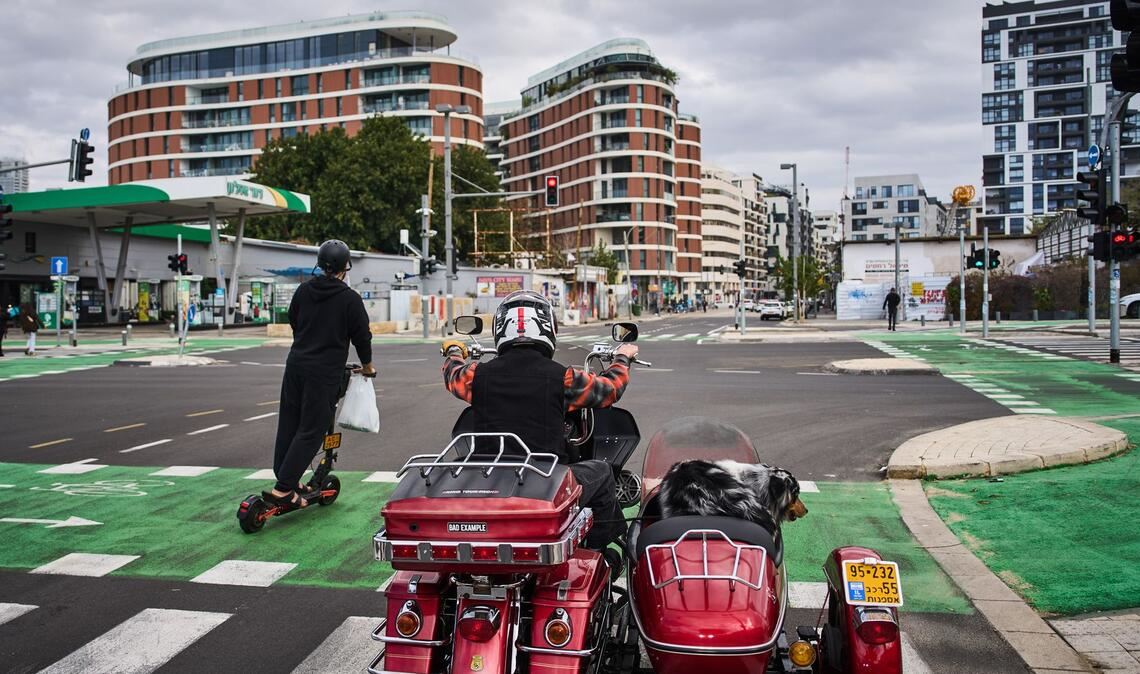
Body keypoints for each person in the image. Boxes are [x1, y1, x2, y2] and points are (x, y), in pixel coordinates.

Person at [441, 290, 637, 555]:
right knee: (602, 473)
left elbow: (452, 374)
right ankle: (599, 551)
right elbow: (610, 388)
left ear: (501, 329)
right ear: (548, 328)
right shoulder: (563, 378)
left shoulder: (478, 376)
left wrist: (454, 351)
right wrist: (622, 358)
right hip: (545, 481)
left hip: (489, 478)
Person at [269, 240, 375, 509]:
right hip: (324, 371)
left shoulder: (303, 290)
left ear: (319, 264)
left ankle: (287, 478)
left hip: (295, 365)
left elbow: (294, 320)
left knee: (289, 423)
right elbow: (362, 336)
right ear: (345, 267)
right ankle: (283, 489)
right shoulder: (349, 298)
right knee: (313, 430)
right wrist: (368, 365)